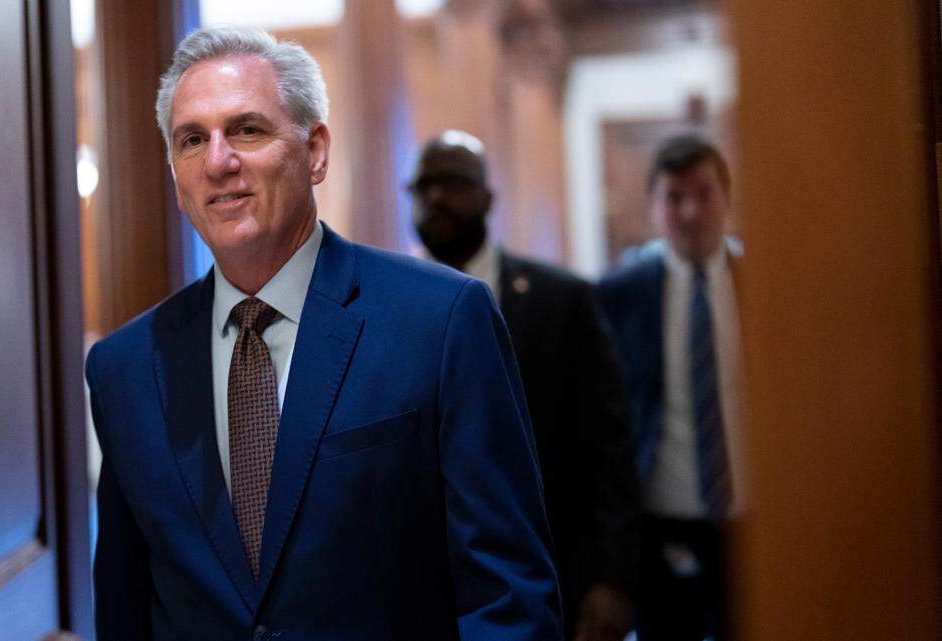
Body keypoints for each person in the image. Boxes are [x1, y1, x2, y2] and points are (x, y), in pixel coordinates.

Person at [86, 26, 564, 641]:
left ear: (314, 152)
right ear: (177, 178)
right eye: (191, 140)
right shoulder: (124, 368)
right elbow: (125, 609)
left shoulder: (441, 321)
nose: (218, 161)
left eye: (247, 129)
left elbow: (509, 596)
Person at [409, 131, 640, 641]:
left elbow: (610, 449)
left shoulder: (564, 301)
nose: (436, 198)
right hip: (428, 590)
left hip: (555, 576)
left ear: (489, 197)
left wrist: (613, 577)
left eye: (453, 182)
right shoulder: (387, 309)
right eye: (423, 186)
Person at [598, 134, 743, 641]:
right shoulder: (619, 295)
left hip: (757, 523)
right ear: (654, 208)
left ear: (727, 197)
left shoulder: (767, 285)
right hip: (662, 527)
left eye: (703, 194)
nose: (689, 212)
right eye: (674, 198)